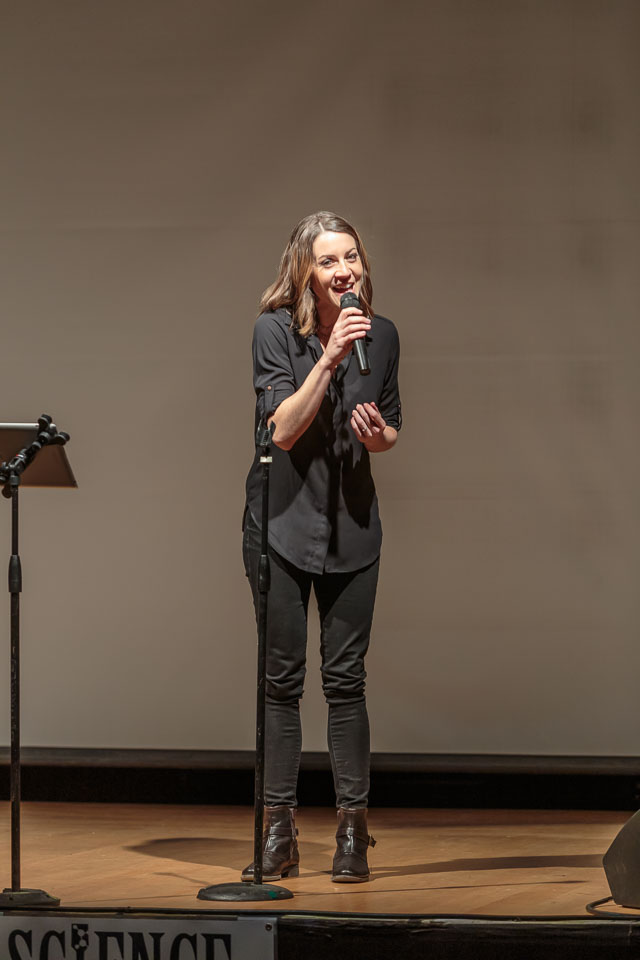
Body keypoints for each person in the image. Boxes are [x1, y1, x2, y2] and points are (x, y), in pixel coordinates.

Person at [241, 211, 401, 883]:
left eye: (351, 258)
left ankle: (353, 832)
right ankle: (278, 831)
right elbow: (280, 429)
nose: (344, 271)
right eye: (329, 261)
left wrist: (376, 435)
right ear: (304, 271)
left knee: (346, 682)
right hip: (281, 523)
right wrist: (330, 357)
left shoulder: (381, 335)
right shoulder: (275, 331)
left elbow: (390, 427)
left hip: (352, 526)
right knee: (281, 682)